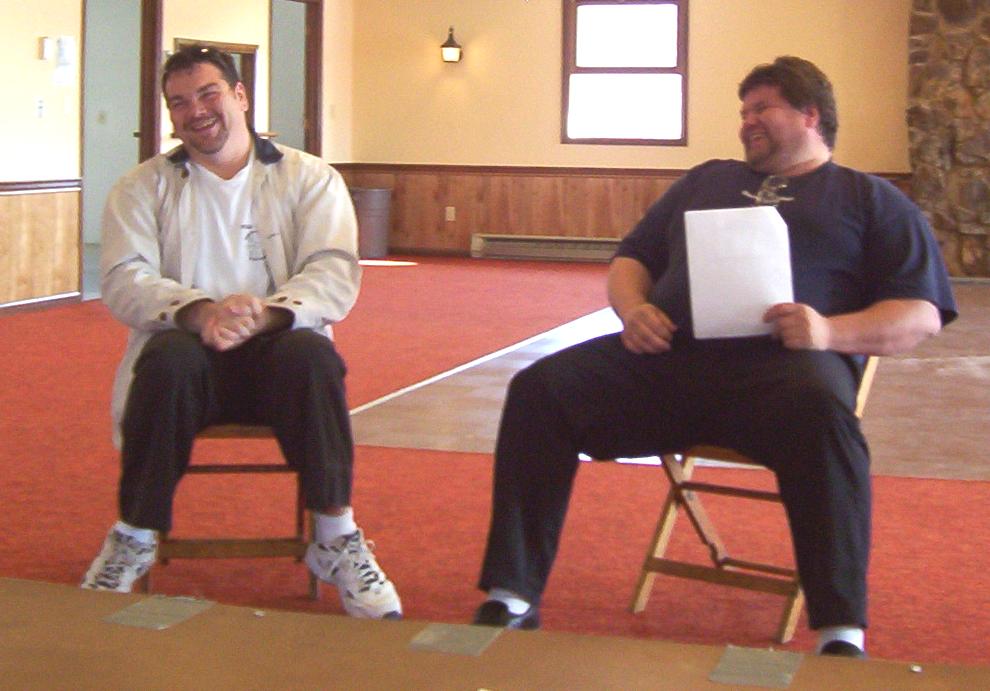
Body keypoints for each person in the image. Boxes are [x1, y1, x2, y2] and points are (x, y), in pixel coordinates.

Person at [472, 56, 957, 657]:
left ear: (810, 115)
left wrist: (828, 332)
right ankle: (513, 595)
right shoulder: (706, 181)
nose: (746, 122)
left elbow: (920, 314)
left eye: (762, 108)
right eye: (743, 111)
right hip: (669, 364)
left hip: (784, 378)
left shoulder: (870, 199)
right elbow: (632, 259)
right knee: (541, 389)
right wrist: (634, 309)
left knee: (828, 420)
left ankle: (840, 631)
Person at [81, 44, 402, 620]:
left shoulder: (310, 178)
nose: (196, 111)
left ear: (240, 96)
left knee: (313, 357)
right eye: (180, 103)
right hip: (188, 354)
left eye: (209, 94)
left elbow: (333, 270)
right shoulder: (141, 187)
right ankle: (134, 535)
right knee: (167, 359)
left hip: (278, 351)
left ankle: (336, 538)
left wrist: (268, 313)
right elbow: (126, 279)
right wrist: (201, 312)